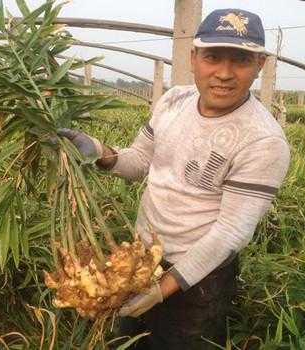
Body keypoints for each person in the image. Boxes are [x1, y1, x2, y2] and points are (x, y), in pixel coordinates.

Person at [59, 8, 291, 349]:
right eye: (213, 57)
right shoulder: (173, 101)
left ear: (260, 65)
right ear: (193, 57)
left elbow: (231, 232)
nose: (224, 73)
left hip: (200, 278)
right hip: (139, 263)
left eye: (240, 60)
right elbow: (138, 162)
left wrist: (163, 288)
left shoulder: (263, 141)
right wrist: (97, 150)